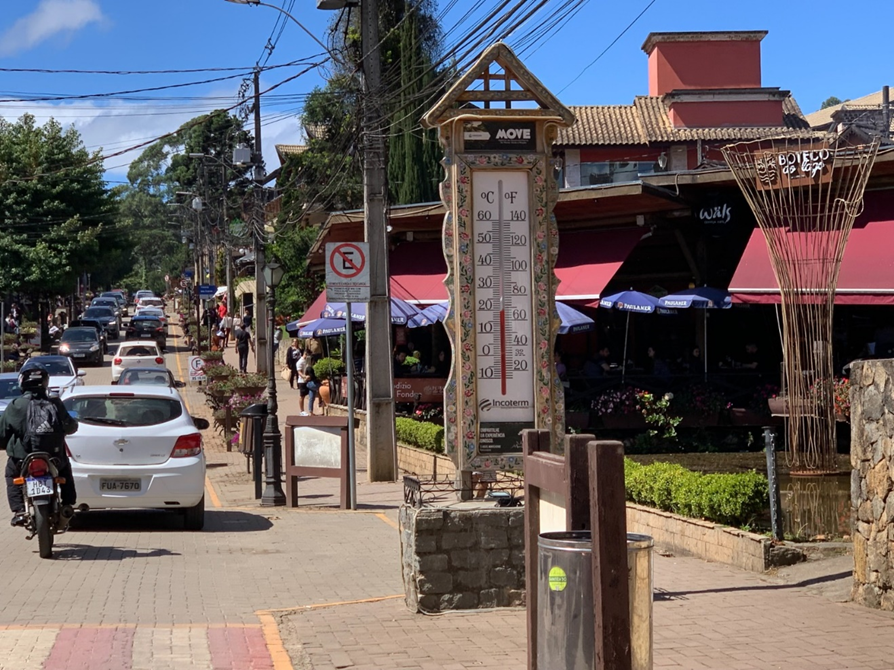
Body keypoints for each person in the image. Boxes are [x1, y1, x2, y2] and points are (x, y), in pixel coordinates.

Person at [0, 367, 78, 527]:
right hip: (54, 458)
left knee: (11, 475)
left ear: (23, 383)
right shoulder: (55, 403)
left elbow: (2, 433)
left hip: (22, 458)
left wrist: (5, 446)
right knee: (65, 470)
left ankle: (19, 511)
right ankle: (68, 504)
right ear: (45, 383)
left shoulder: (16, 405)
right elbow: (70, 427)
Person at [296, 348, 310, 412]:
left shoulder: (308, 360)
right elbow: (299, 372)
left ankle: (311, 410)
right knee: (302, 396)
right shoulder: (300, 362)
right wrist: (304, 377)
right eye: (306, 354)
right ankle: (302, 410)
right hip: (302, 381)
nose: (306, 356)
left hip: (308, 381)